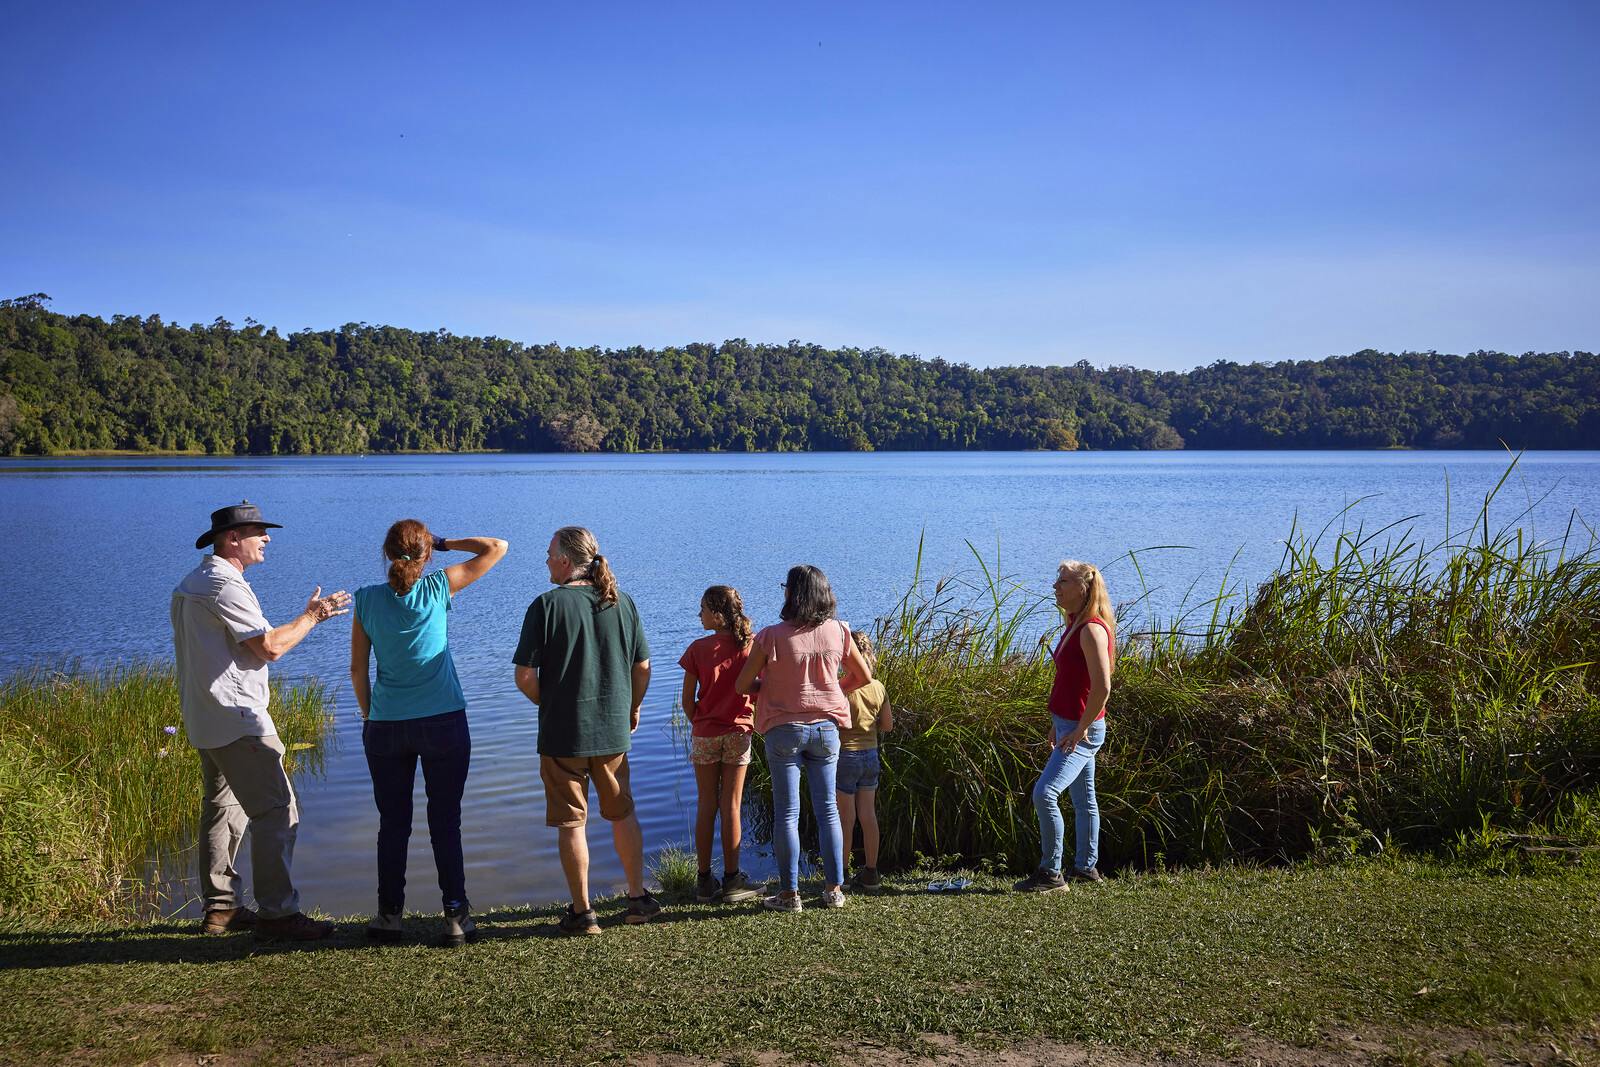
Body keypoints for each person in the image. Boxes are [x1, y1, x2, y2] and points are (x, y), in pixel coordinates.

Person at [169, 501, 350, 941]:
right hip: (238, 719)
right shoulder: (225, 586)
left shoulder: (194, 580)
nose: (267, 538)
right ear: (233, 539)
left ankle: (222, 908)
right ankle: (277, 913)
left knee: (221, 813)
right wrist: (313, 616)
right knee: (276, 811)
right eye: (258, 532)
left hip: (206, 718)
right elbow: (268, 647)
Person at [350, 520, 508, 946]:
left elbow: (357, 669)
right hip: (444, 723)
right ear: (426, 557)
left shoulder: (366, 600)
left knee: (393, 824)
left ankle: (388, 917)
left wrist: (371, 716)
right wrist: (442, 542)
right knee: (445, 821)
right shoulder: (438, 587)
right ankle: (456, 918)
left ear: (386, 554)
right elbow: (497, 545)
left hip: (385, 726)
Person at [513, 526, 658, 934]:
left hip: (563, 737)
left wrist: (552, 704)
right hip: (612, 732)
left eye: (548, 554)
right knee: (622, 812)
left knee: (571, 823)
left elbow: (525, 677)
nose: (545, 561)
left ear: (564, 560)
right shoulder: (622, 602)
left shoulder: (546, 606)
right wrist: (631, 706)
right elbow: (643, 667)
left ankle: (583, 912)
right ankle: (636, 898)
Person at [735, 564, 872, 913]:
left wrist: (771, 686)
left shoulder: (770, 636)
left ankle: (789, 895)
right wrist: (832, 692)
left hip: (784, 730)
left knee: (787, 814)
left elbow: (742, 685)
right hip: (827, 730)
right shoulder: (840, 632)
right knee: (828, 811)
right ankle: (834, 891)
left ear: (793, 594)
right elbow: (863, 675)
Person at [1016, 559, 1115, 892]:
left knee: (1045, 794)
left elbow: (1103, 688)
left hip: (1082, 729)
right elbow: (1073, 682)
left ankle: (1050, 873)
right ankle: (1086, 868)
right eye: (1057, 581)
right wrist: (1058, 724)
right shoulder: (1074, 623)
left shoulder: (1090, 629)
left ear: (1082, 588)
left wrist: (1079, 729)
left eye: (1062, 582)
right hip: (1069, 724)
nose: (1055, 587)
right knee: (1084, 799)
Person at [677, 586, 760, 904]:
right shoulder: (750, 646)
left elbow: (687, 701)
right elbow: (759, 686)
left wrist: (700, 721)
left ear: (717, 613)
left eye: (702, 609)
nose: (698, 614)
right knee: (732, 806)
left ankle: (703, 881)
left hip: (705, 734)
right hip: (739, 733)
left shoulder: (697, 649)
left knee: (705, 805)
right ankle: (732, 879)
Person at [837, 629, 893, 890]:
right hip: (871, 755)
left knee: (845, 819)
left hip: (846, 755)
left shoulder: (841, 687)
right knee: (868, 815)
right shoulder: (878, 686)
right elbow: (887, 725)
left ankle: (843, 874)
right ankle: (871, 872)